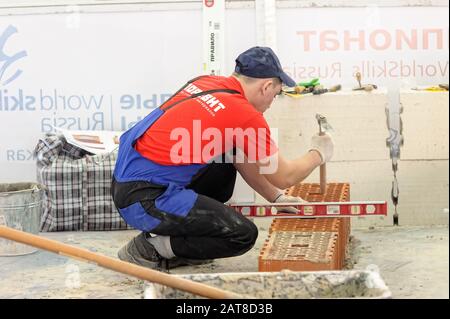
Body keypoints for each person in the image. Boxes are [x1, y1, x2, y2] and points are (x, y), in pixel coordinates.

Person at [111, 46, 334, 271]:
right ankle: (150, 248)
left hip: (129, 182)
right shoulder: (244, 114)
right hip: (145, 200)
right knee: (241, 234)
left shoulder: (206, 82)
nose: (271, 102)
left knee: (224, 168)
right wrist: (318, 153)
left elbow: (238, 155)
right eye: (275, 94)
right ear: (266, 86)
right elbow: (285, 176)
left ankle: (177, 237)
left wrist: (275, 198)